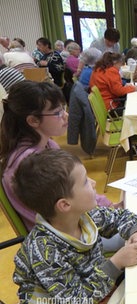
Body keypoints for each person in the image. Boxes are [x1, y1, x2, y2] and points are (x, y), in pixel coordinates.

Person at [12, 148, 137, 304]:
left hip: (92, 292)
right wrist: (115, 263)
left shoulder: (84, 216)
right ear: (65, 205)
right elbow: (75, 301)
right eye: (85, 181)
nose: (93, 183)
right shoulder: (44, 251)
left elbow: (121, 217)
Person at [0, 80, 120, 232]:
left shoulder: (48, 145)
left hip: (80, 224)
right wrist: (112, 214)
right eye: (58, 112)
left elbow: (77, 192)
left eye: (63, 108)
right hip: (66, 239)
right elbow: (60, 218)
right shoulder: (28, 165)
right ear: (33, 120)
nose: (66, 115)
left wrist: (110, 206)